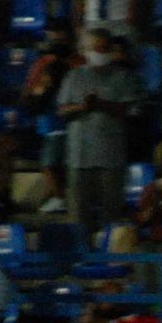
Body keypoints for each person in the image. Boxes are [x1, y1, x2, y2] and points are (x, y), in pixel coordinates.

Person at [55, 28, 144, 229]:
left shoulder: (124, 78)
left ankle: (109, 259)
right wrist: (82, 107)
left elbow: (133, 111)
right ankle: (81, 259)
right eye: (96, 49)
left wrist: (102, 105)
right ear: (86, 50)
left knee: (111, 219)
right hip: (79, 158)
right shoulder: (74, 76)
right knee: (78, 219)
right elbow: (62, 110)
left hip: (111, 159)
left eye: (104, 48)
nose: (100, 53)